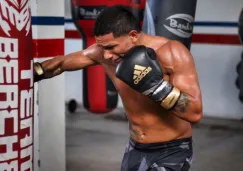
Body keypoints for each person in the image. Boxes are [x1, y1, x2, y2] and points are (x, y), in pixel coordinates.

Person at [34, 5, 203, 171]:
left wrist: (155, 86)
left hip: (172, 150)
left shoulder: (171, 53)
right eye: (102, 47)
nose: (106, 55)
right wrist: (32, 73)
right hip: (135, 149)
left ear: (133, 35)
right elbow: (61, 63)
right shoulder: (104, 53)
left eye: (111, 47)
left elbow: (194, 113)